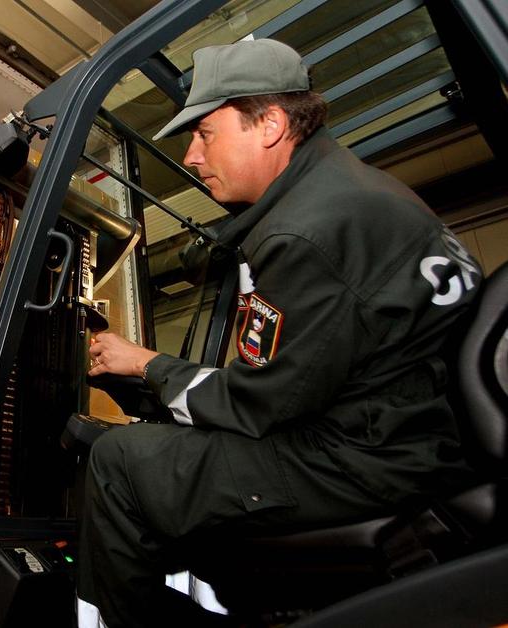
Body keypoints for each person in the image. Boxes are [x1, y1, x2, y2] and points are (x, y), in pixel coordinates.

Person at [76, 38, 482, 628]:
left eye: (205, 133)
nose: (191, 155)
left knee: (118, 459)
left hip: (372, 458)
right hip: (412, 437)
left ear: (269, 124)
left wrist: (146, 365)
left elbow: (255, 405)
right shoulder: (356, 191)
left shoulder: (303, 232)